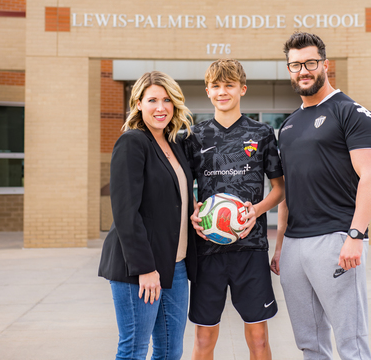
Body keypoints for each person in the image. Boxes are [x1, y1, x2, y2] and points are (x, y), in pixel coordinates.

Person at [270, 32, 371, 360]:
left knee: (351, 341)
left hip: (336, 239)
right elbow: (289, 191)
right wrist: (280, 247)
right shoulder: (288, 125)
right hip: (294, 246)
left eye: (310, 63)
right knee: (309, 342)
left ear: (325, 64)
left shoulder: (352, 113)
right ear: (289, 69)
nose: (303, 70)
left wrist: (356, 235)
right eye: (295, 65)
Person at [184, 59, 285, 360]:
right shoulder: (194, 137)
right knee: (204, 338)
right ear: (207, 91)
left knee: (258, 339)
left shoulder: (262, 133)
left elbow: (279, 189)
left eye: (229, 85)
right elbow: (181, 185)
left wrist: (257, 210)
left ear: (242, 89)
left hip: (250, 249)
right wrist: (193, 210)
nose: (222, 91)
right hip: (207, 251)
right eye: (216, 86)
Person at [98, 71, 197, 360]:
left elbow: (176, 201)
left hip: (175, 265)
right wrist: (145, 269)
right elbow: (125, 212)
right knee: (134, 350)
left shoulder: (175, 146)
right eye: (152, 99)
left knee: (170, 351)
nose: (161, 107)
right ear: (138, 103)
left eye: (167, 100)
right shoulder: (132, 143)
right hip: (139, 268)